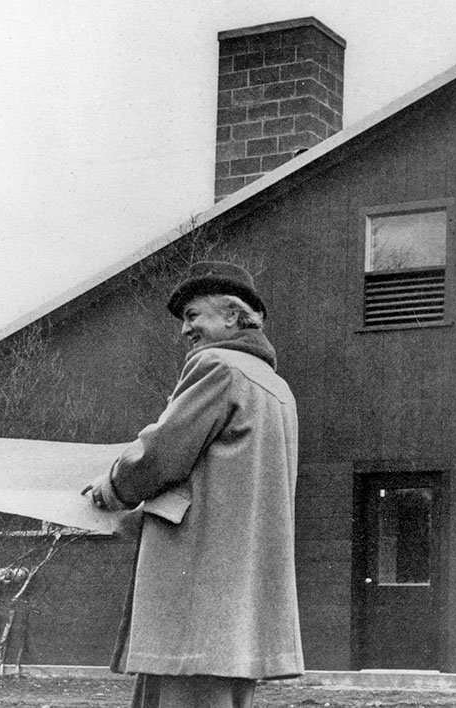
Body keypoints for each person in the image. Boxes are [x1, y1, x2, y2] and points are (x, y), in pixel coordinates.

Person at [84, 261, 303, 708]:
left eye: (193, 315)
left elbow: (162, 453)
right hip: (239, 601)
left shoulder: (216, 366)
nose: (186, 330)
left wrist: (112, 487)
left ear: (231, 315)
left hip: (196, 593)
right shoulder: (278, 389)